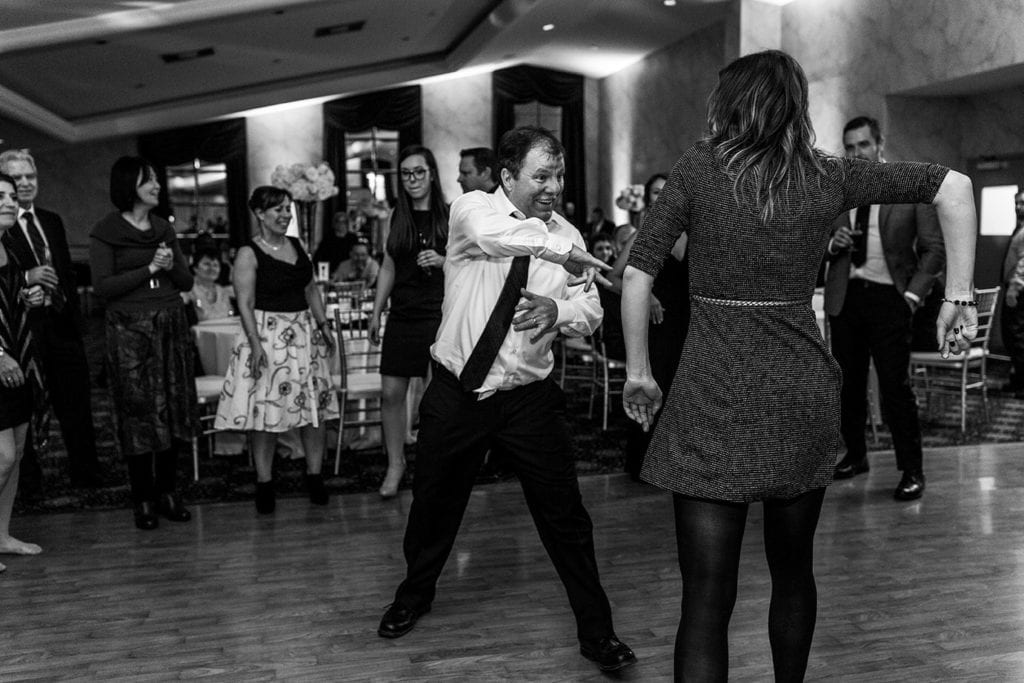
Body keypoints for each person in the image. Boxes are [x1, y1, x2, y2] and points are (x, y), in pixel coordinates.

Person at [621, 50, 977, 681]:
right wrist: (960, 298)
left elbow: (639, 270)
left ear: (729, 102)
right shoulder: (826, 175)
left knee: (704, 601)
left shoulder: (701, 167)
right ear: (796, 106)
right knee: (794, 576)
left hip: (709, 397)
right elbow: (954, 186)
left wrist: (640, 372)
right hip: (797, 393)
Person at [377, 126, 636, 674]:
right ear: (508, 176)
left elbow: (589, 312)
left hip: (529, 399)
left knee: (566, 517)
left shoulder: (568, 237)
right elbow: (501, 240)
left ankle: (598, 632)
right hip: (457, 392)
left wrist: (558, 311)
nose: (553, 187)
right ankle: (413, 596)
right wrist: (559, 249)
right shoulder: (472, 209)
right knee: (433, 506)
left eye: (559, 175)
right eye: (541, 175)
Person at [825, 116, 946, 501]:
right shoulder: (838, 189)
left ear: (880, 145)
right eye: (849, 146)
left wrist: (912, 297)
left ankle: (912, 469)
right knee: (849, 385)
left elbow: (933, 249)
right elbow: (815, 241)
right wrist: (833, 243)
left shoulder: (906, 186)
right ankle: (856, 456)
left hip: (890, 298)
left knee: (896, 388)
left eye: (862, 145)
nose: (855, 153)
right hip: (846, 297)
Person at [214, 186, 338, 514]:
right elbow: (245, 302)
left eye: (288, 209)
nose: (285, 215)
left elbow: (310, 288)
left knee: (314, 411)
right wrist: (255, 346)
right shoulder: (248, 253)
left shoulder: (297, 245)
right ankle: (265, 482)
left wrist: (323, 325)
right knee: (264, 414)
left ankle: (314, 476)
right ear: (260, 213)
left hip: (303, 334)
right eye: (279, 210)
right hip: (267, 335)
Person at [90, 156, 197, 531]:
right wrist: (149, 269)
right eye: (148, 180)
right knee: (138, 410)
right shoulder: (106, 231)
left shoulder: (163, 229)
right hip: (128, 328)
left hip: (169, 321)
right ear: (128, 187)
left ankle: (169, 491)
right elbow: (102, 288)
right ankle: (144, 497)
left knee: (171, 405)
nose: (156, 185)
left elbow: (186, 283)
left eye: (154, 178)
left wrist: (169, 267)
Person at [0, 149, 100, 491]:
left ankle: (87, 476)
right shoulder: (3, 224)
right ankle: (28, 485)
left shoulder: (51, 220)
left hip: (61, 326)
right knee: (23, 412)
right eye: (16, 179)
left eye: (30, 177)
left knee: (76, 404)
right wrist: (29, 278)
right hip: (23, 334)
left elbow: (67, 278)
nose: (25, 184)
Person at [368, 145, 447, 499]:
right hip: (401, 314)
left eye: (418, 172)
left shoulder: (449, 215)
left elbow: (467, 263)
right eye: (406, 173)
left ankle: (434, 465)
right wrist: (375, 310)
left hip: (438, 313)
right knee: (390, 393)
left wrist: (444, 260)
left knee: (435, 397)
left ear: (431, 173)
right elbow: (388, 266)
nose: (412, 179)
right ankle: (395, 463)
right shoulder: (395, 215)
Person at [609, 172, 690, 481]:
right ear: (648, 199)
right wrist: (648, 295)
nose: (662, 196)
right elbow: (615, 277)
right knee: (654, 385)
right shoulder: (646, 233)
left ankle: (680, 465)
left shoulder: (696, 231)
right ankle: (646, 464)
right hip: (655, 326)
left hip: (689, 323)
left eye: (667, 190)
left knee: (684, 392)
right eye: (656, 192)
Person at [0, 172, 45, 572]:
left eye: (12, 196)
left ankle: (2, 534)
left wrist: (26, 296)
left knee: (14, 456)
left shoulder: (9, 248)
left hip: (18, 358)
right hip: (1, 361)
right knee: (2, 455)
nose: (9, 202)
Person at [1000, 190, 1024, 396]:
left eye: (1022, 204)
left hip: (1019, 291)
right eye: (1016, 203)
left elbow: (1023, 264)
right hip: (1015, 288)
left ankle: (1021, 383)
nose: (1018, 207)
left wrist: (1014, 289)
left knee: (1016, 337)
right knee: (1013, 336)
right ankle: (1017, 380)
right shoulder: (1020, 229)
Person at [183, 246, 234, 322]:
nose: (212, 268)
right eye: (207, 264)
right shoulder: (188, 289)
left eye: (215, 265)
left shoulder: (222, 291)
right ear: (195, 268)